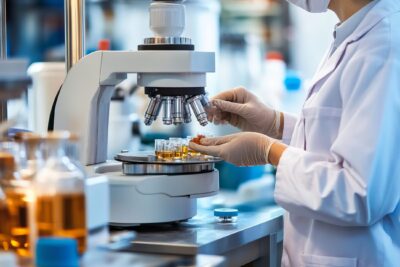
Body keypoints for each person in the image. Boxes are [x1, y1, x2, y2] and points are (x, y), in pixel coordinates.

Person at [189, 0, 400, 266]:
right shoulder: (354, 32)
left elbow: (361, 195)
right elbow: (340, 138)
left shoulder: (385, 45)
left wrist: (270, 151)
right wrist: (276, 125)